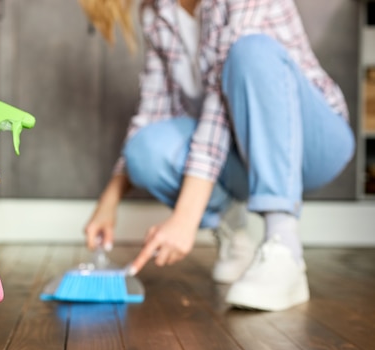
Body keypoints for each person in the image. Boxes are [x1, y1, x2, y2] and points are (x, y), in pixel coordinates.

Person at [80, 0, 355, 311]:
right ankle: (232, 228)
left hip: (312, 143)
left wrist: (186, 216)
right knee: (144, 151)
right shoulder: (157, 12)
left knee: (250, 52)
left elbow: (219, 107)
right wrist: (109, 200)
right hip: (242, 153)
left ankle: (284, 247)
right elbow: (152, 113)